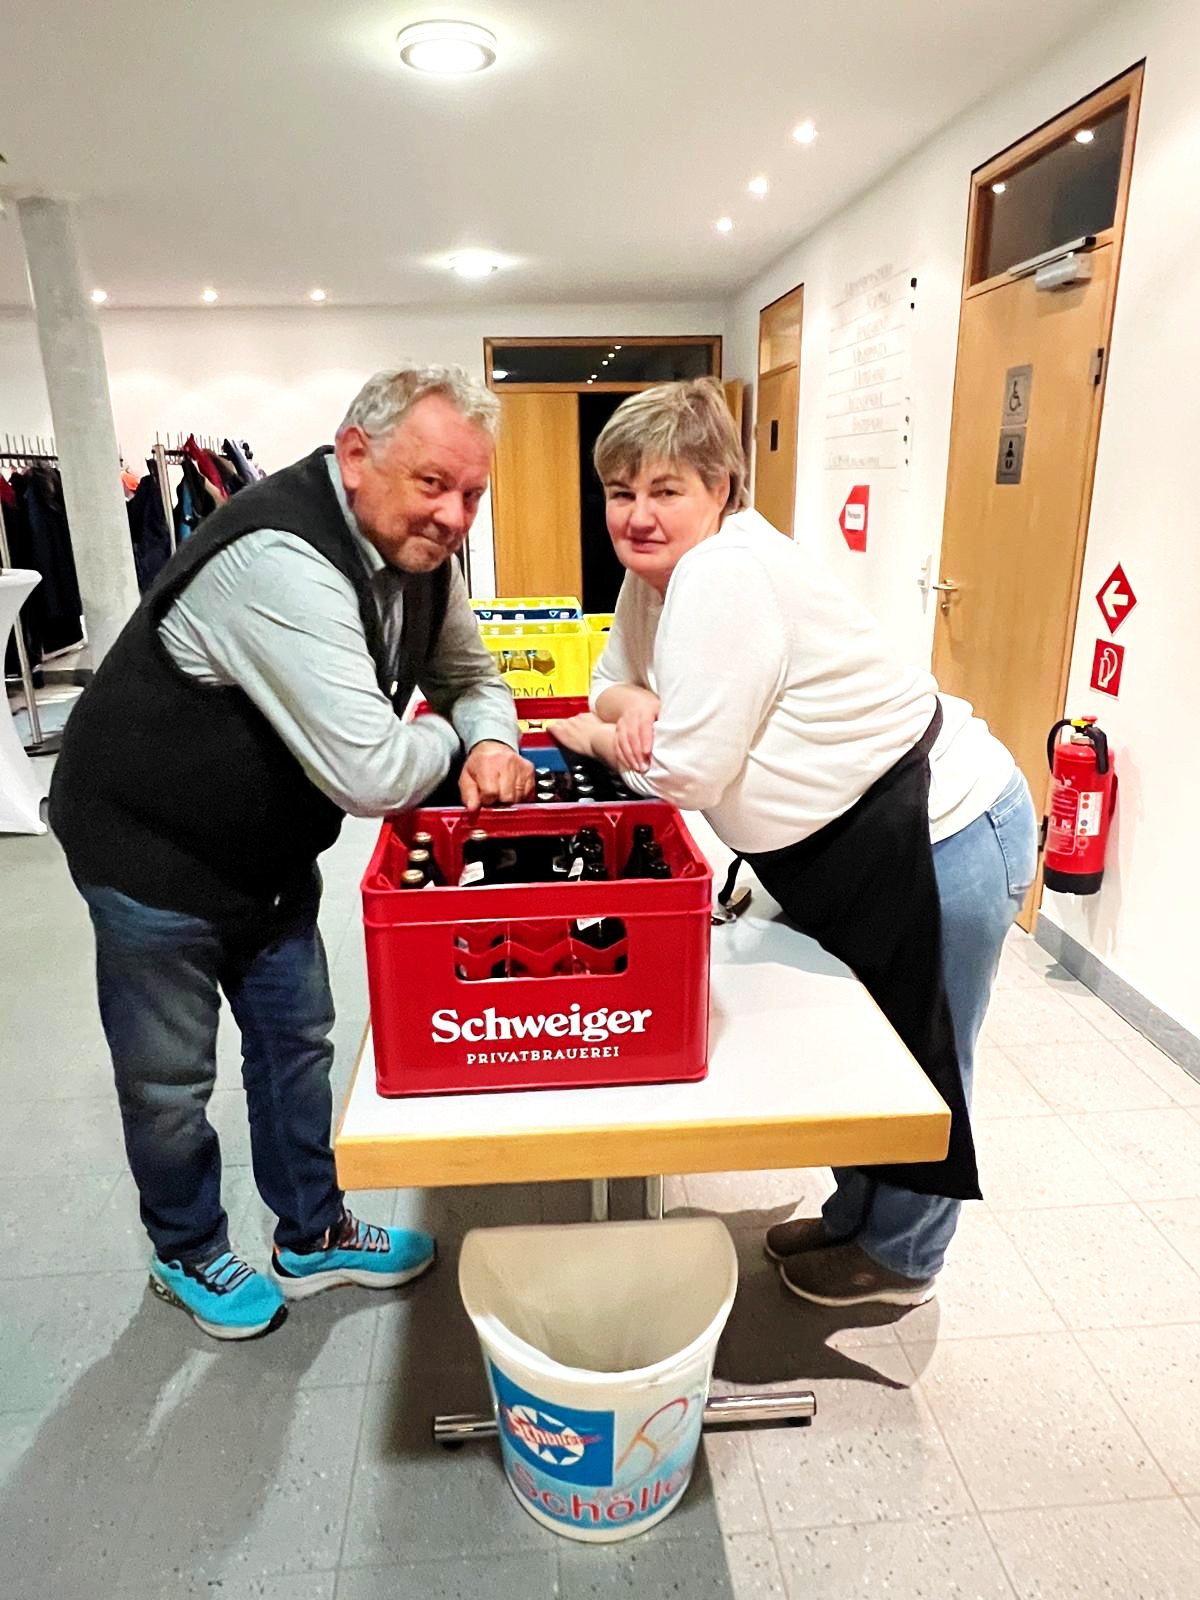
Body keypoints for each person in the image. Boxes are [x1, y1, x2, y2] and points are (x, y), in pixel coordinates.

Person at [51, 366, 534, 1340]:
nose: (453, 516)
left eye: (472, 494)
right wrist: (451, 742)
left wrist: (490, 737)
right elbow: (373, 771)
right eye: (432, 483)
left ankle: (313, 1234)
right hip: (149, 849)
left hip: (265, 847)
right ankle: (186, 1248)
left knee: (295, 1042)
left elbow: (472, 675)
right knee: (168, 1080)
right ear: (355, 456)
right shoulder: (282, 559)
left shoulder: (421, 560)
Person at [547, 378, 1036, 1309]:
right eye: (620, 492)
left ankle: (903, 1259)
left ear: (721, 488)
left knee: (924, 1057)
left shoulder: (724, 575)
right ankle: (858, 1218)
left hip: (941, 831)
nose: (639, 516)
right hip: (850, 848)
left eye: (666, 490)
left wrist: (597, 737)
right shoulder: (659, 577)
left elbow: (684, 774)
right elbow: (610, 676)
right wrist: (631, 704)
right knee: (868, 1048)